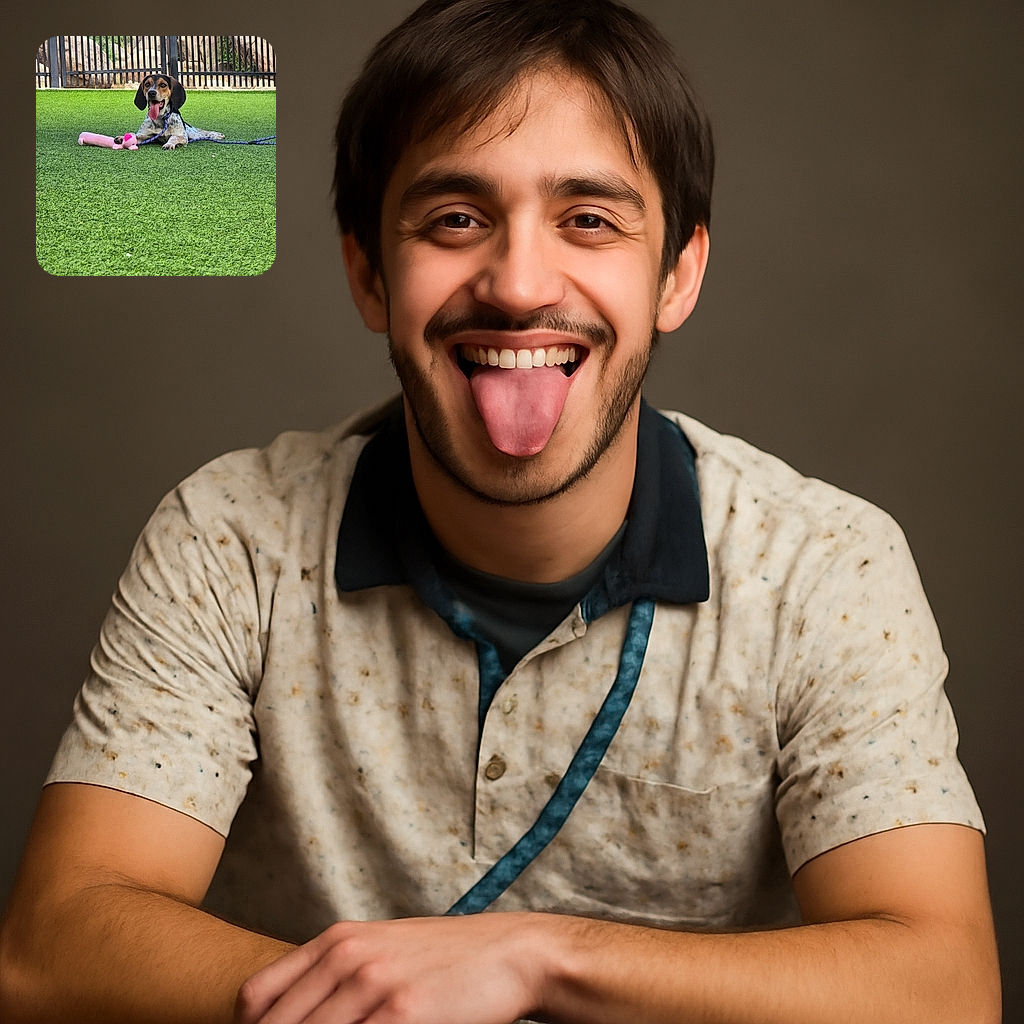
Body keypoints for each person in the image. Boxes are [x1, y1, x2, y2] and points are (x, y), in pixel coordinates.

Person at [0, 1, 1000, 1022]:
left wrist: (535, 955)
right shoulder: (228, 537)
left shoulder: (828, 568)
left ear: (678, 273)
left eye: (590, 220)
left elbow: (945, 986)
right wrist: (379, 1000)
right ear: (367, 274)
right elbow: (50, 946)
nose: (519, 286)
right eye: (455, 219)